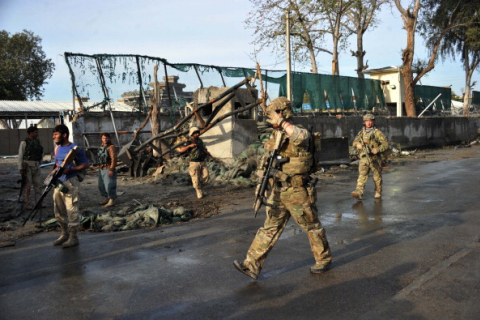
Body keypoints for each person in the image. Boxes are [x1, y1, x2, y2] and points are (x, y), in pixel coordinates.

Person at [233, 97, 332, 280]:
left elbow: (301, 137)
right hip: (278, 191)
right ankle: (251, 265)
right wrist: (260, 188)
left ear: (282, 113)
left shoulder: (299, 131)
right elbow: (266, 164)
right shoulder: (275, 136)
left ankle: (323, 259)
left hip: (298, 192)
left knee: (311, 226)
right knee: (269, 228)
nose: (271, 119)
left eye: (273, 114)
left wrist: (283, 122)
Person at [50, 124, 89, 248]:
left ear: (64, 135)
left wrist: (71, 170)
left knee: (71, 209)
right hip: (58, 182)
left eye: (56, 134)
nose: (54, 136)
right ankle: (64, 234)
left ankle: (73, 237)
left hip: (70, 182)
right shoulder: (57, 148)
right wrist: (52, 173)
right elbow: (57, 164)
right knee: (58, 210)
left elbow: (85, 164)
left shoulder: (75, 148)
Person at [351, 114, 389, 200]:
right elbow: (354, 143)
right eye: (367, 121)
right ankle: (359, 192)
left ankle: (378, 191)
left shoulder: (377, 133)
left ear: (373, 122)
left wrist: (378, 149)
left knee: (377, 177)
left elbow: (385, 144)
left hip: (374, 158)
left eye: (370, 121)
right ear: (364, 122)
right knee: (362, 176)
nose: (369, 123)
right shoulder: (361, 133)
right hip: (364, 158)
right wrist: (358, 145)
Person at [177, 127, 211, 199]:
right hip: (194, 162)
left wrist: (207, 153)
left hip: (202, 161)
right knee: (195, 178)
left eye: (198, 132)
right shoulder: (188, 141)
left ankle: (200, 188)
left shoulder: (200, 140)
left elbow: (203, 148)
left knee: (206, 176)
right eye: (196, 133)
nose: (197, 134)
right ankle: (198, 191)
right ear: (192, 133)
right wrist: (189, 146)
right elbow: (181, 150)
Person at [18, 125, 44, 210]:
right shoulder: (24, 143)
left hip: (36, 165)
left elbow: (41, 152)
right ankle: (27, 204)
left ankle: (38, 203)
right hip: (27, 166)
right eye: (35, 132)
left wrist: (40, 161)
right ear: (30, 133)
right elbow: (21, 156)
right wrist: (21, 168)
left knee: (38, 185)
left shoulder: (37, 142)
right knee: (27, 186)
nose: (37, 134)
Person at [97, 133, 117, 207]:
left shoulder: (111, 147)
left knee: (109, 185)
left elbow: (114, 159)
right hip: (101, 168)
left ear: (109, 139)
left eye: (106, 138)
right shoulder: (102, 147)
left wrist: (111, 169)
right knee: (101, 185)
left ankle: (111, 200)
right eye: (103, 138)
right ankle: (106, 198)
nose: (105, 140)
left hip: (108, 168)